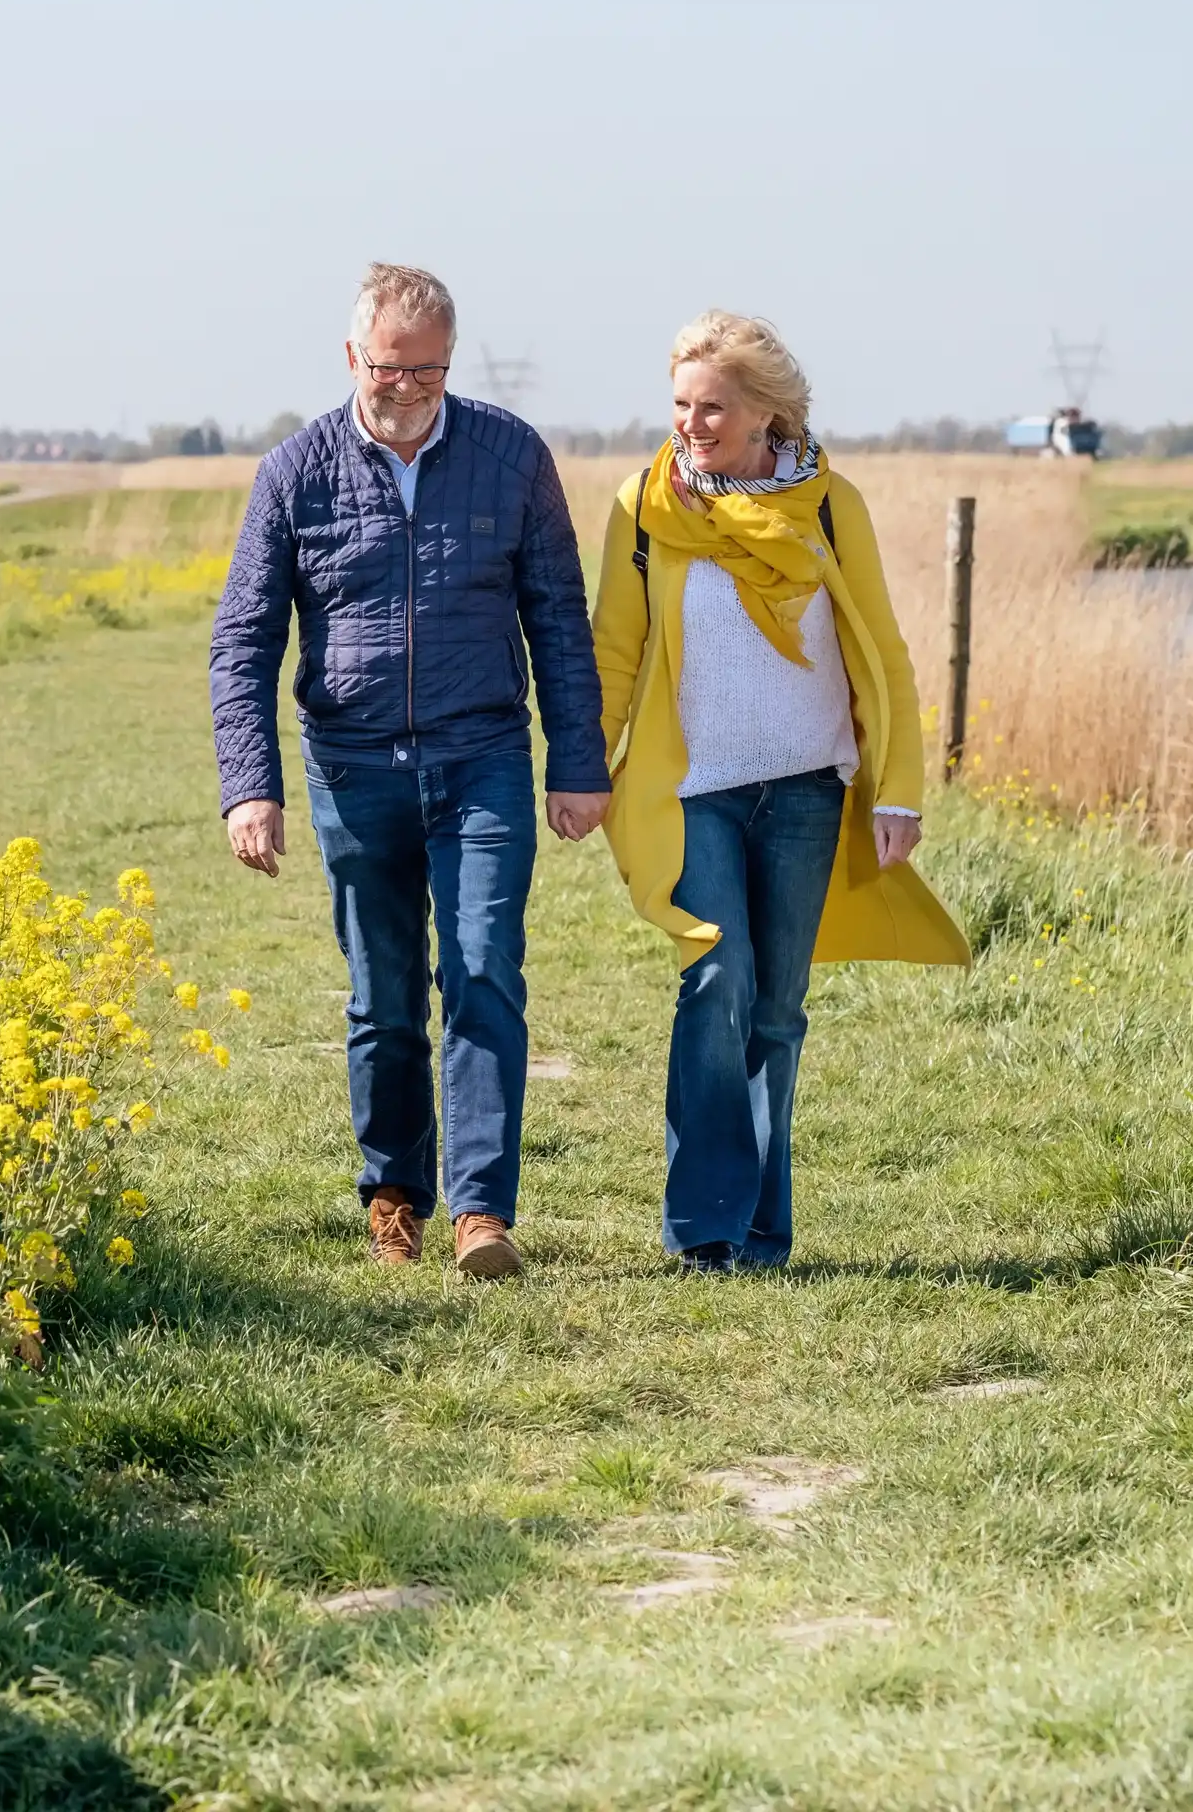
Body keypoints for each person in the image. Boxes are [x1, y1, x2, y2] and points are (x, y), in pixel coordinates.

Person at [210, 262, 612, 1277]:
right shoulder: (294, 473)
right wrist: (249, 783)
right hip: (354, 768)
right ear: (354, 357)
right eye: (391, 368)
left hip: (482, 756)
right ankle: (396, 1197)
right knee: (384, 995)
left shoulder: (510, 456)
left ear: (450, 360)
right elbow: (244, 641)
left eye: (428, 370)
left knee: (483, 970)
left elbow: (560, 616)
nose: (408, 388)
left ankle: (483, 1213)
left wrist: (577, 760)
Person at [591, 310, 968, 1273]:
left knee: (776, 1009)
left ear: (767, 413)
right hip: (694, 790)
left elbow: (879, 649)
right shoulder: (646, 507)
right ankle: (702, 1227)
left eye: (711, 405)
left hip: (806, 789)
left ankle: (761, 1231)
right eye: (679, 403)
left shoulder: (832, 505)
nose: (690, 423)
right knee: (715, 979)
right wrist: (580, 768)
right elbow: (614, 650)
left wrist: (896, 792)